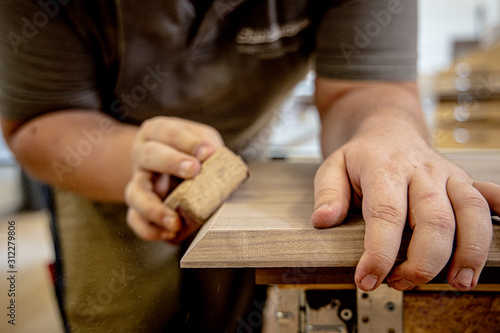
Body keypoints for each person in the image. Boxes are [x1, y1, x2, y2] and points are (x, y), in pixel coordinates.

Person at [1, 0, 499, 332]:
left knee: (233, 303)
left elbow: (361, 88)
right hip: (99, 145)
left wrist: (387, 131)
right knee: (124, 311)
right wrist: (134, 161)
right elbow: (36, 122)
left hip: (243, 154)